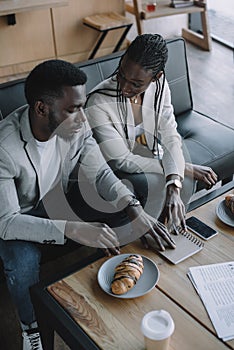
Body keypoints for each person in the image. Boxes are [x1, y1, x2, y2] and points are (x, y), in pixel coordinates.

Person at [0, 59, 176, 350]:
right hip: (18, 214)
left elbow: (102, 173)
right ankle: (30, 327)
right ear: (42, 108)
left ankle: (116, 279)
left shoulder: (76, 127)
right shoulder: (5, 149)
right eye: (73, 109)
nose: (83, 118)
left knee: (127, 195)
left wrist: (136, 210)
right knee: (22, 260)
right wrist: (75, 229)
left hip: (55, 196)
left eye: (82, 106)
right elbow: (7, 222)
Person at [85, 33, 218, 231]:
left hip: (147, 154)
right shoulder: (99, 102)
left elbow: (170, 134)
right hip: (111, 171)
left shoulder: (159, 86)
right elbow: (121, 161)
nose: (124, 87)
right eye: (121, 75)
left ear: (157, 76)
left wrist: (174, 184)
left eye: (136, 84)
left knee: (176, 187)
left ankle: (169, 239)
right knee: (164, 182)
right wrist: (185, 168)